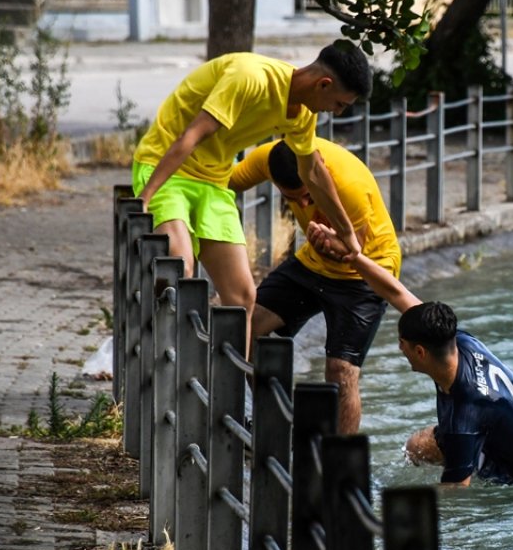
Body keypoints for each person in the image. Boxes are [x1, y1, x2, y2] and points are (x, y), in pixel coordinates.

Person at [306, 222, 513, 485]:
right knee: (416, 448)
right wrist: (352, 256)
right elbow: (395, 293)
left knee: (447, 461)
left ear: (420, 352)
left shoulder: (464, 416)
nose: (399, 349)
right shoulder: (457, 340)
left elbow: (456, 492)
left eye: (402, 344)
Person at [131, 41, 370, 354]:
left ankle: (234, 398)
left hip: (213, 182)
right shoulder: (250, 77)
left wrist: (348, 233)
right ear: (323, 84)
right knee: (179, 266)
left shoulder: (301, 116)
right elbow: (192, 135)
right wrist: (145, 198)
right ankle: (155, 359)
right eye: (339, 104)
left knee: (243, 297)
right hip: (166, 166)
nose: (336, 112)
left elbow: (313, 174)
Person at [227, 137, 400, 434]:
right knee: (250, 328)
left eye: (309, 195)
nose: (305, 205)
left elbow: (350, 252)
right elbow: (227, 180)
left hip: (364, 273)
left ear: (315, 169)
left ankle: (340, 462)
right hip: (310, 263)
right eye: (294, 198)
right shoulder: (269, 157)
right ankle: (274, 427)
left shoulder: (349, 184)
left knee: (342, 371)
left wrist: (332, 243)